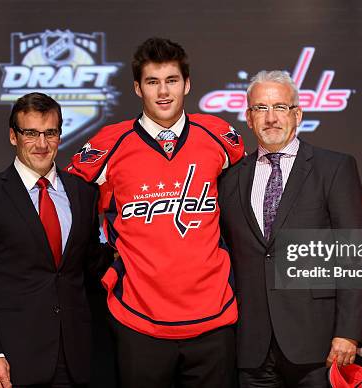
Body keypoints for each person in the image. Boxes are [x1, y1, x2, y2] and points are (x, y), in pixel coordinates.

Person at [66, 37, 244, 387]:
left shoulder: (220, 135)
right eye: (152, 82)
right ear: (137, 88)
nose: (163, 92)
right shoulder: (109, 143)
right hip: (138, 320)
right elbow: (59, 196)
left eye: (172, 80)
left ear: (187, 84)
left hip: (214, 319)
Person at [217, 70, 362, 388]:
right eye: (260, 108)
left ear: (297, 114)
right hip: (252, 345)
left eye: (280, 107)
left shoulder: (334, 167)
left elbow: (353, 254)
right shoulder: (230, 179)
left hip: (319, 343)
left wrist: (348, 332)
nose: (270, 118)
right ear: (248, 116)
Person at [0, 93, 112, 387]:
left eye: (50, 133)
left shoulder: (83, 193)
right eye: (31, 133)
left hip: (73, 357)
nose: (42, 144)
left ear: (59, 134)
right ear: (13, 136)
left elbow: (90, 263)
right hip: (12, 360)